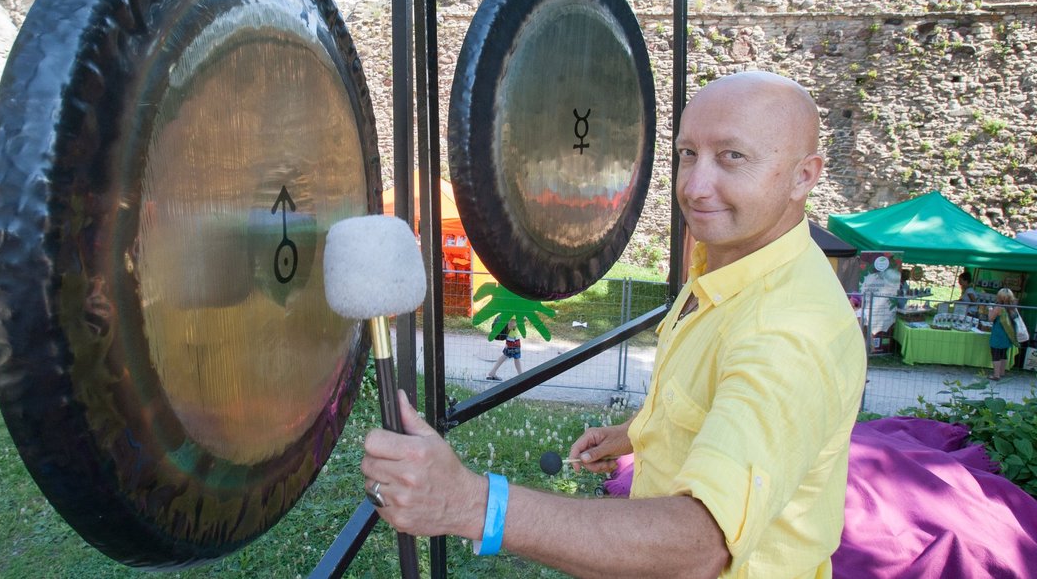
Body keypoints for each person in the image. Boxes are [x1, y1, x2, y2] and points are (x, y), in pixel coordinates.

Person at [361, 71, 866, 577]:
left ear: (805, 175)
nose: (694, 186)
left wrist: (469, 503)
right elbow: (711, 396)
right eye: (688, 153)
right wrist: (638, 433)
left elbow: (699, 546)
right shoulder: (726, 263)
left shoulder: (789, 333)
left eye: (732, 156)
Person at [987, 288, 1019, 382]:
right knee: (1003, 353)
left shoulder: (999, 307)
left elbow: (990, 318)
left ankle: (996, 375)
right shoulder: (1012, 307)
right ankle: (1002, 372)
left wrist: (989, 309)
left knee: (995, 353)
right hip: (1008, 334)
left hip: (998, 333)